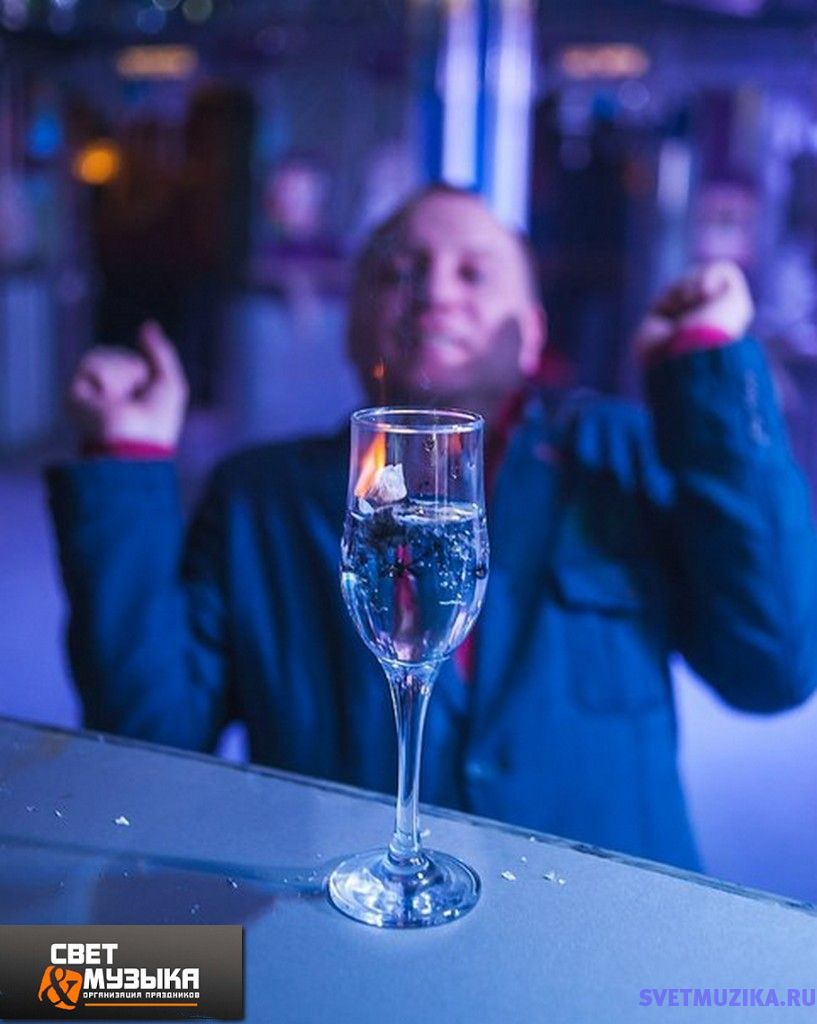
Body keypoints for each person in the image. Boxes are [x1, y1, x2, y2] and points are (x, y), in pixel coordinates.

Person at [47, 185, 817, 871]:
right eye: (397, 272)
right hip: (346, 932)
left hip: (609, 930)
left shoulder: (616, 455)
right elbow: (145, 732)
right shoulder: (260, 499)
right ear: (351, 324)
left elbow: (772, 666)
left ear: (532, 331)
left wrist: (703, 366)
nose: (435, 293)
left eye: (473, 273)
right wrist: (127, 458)